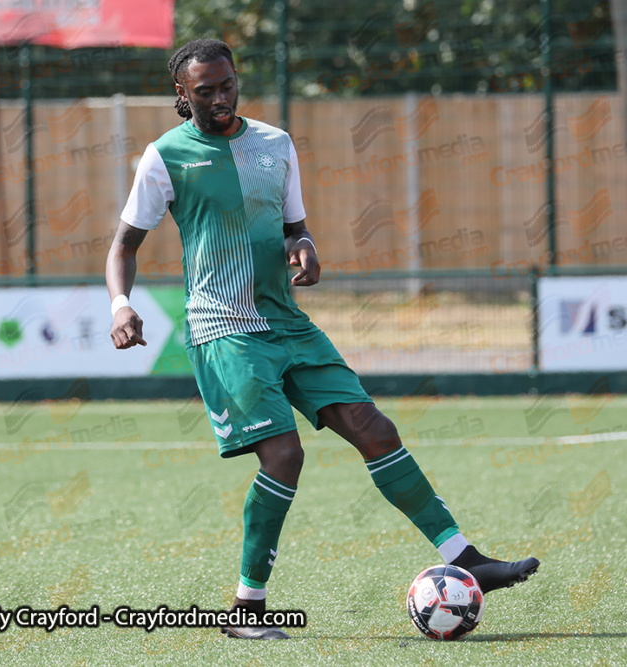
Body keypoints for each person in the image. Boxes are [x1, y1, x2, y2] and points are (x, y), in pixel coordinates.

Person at [106, 38, 539, 640]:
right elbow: (123, 246)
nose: (220, 97)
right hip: (223, 329)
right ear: (183, 94)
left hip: (288, 323)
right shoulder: (165, 156)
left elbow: (295, 229)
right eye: (204, 90)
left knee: (374, 429)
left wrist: (305, 250)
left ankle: (466, 560)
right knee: (285, 455)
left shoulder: (276, 144)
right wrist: (122, 304)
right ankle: (246, 613)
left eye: (226, 84)